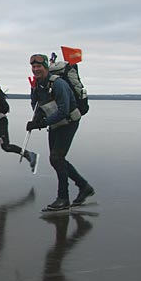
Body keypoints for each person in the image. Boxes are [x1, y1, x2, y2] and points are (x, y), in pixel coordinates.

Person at [26, 54, 95, 211]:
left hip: (69, 121)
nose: (36, 69)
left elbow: (64, 110)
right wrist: (35, 122)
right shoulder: (38, 85)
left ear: (45, 67)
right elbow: (38, 106)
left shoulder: (58, 84)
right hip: (55, 123)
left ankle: (63, 198)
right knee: (56, 159)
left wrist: (43, 123)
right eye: (33, 67)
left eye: (39, 66)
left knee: (57, 158)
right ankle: (84, 187)